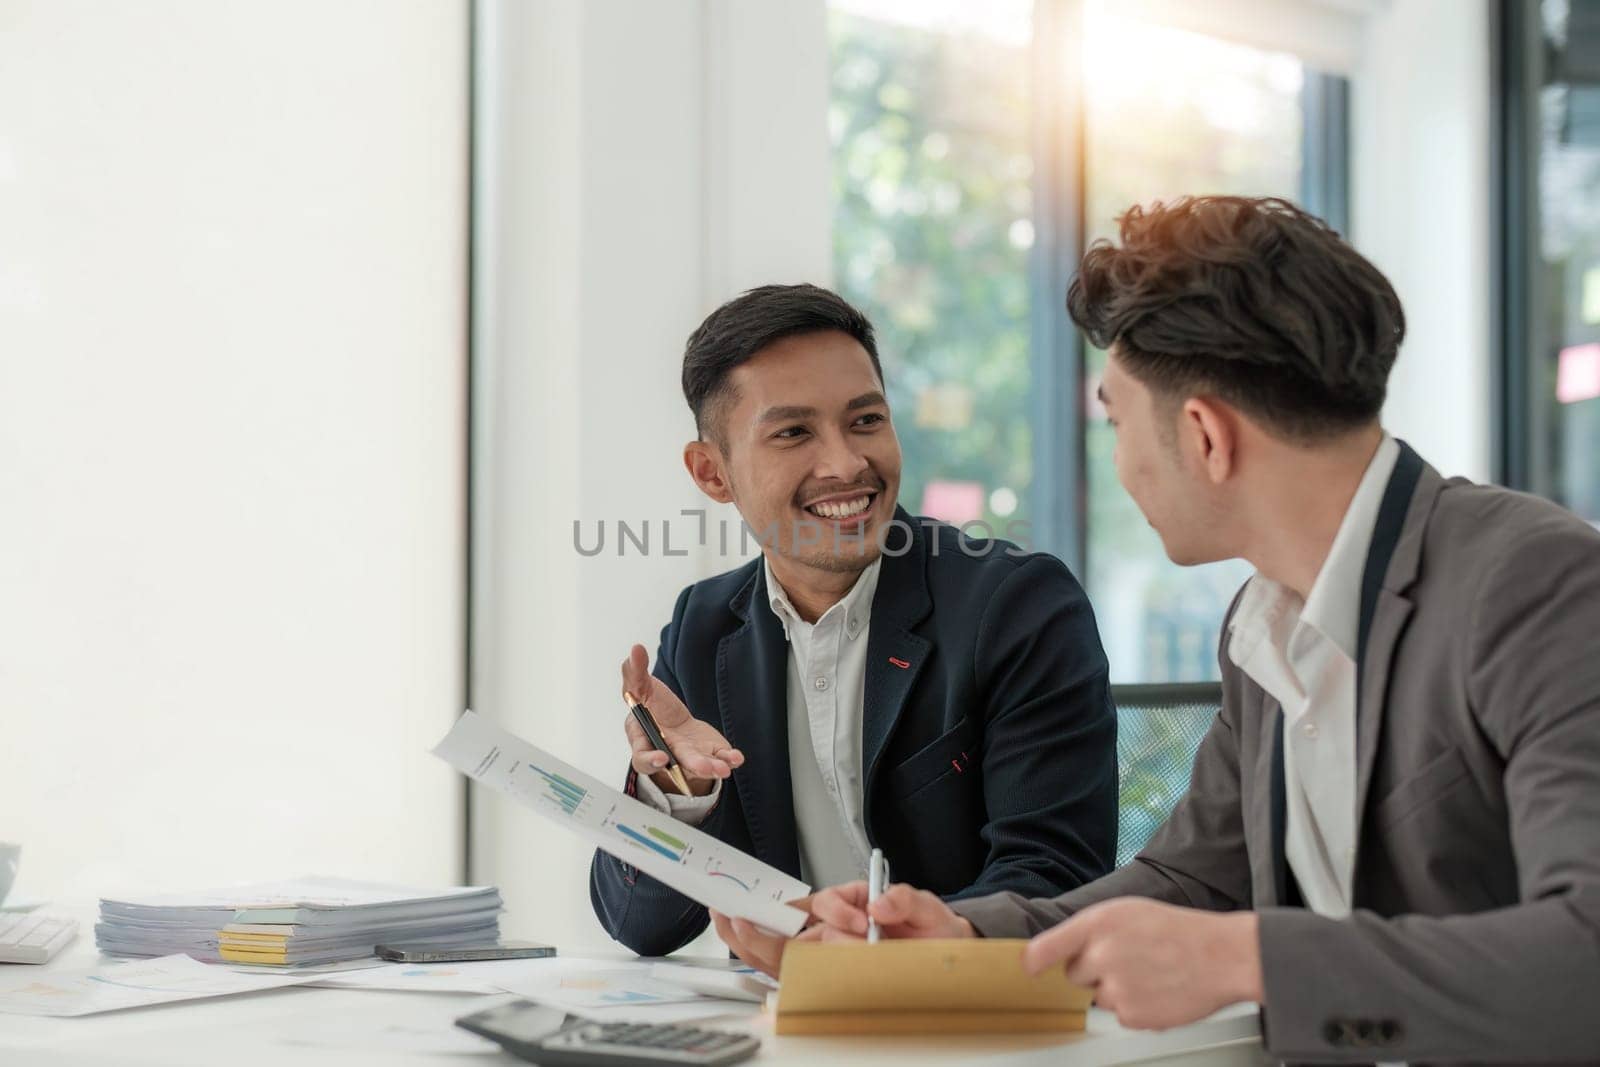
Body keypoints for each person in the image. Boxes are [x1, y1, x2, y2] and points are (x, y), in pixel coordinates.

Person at [721, 199, 1600, 1064]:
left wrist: (1246, 959)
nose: (1119, 460)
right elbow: (1191, 881)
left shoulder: (1535, 583)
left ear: (1206, 436)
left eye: (1115, 418)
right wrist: (959, 935)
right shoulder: (1265, 625)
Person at [589, 283, 1118, 956]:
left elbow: (1053, 878)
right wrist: (678, 791)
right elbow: (641, 923)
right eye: (793, 432)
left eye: (866, 421)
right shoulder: (705, 626)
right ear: (713, 473)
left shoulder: (1017, 607)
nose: (846, 464)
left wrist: (858, 949)